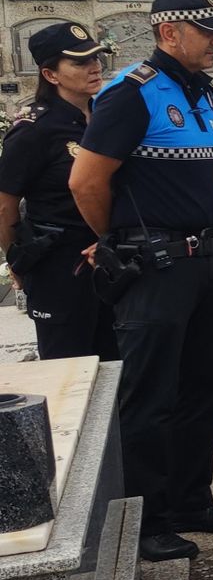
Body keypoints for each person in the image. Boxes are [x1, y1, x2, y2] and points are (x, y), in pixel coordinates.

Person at [69, 0, 213, 562]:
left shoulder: (204, 91)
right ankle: (145, 519)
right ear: (170, 33)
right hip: (157, 263)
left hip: (209, 261)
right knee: (150, 395)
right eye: (208, 31)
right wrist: (115, 239)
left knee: (205, 385)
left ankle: (192, 500)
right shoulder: (131, 93)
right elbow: (86, 183)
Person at [0, 23, 119, 361]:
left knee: (117, 364)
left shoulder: (105, 119)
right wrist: (17, 261)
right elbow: (5, 205)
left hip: (110, 258)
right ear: (51, 74)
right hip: (59, 264)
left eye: (96, 58)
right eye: (80, 63)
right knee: (69, 364)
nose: (94, 67)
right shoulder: (34, 131)